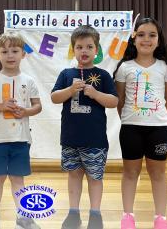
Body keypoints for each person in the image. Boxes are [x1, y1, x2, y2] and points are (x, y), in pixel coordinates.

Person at [51, 25, 118, 229]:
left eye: (89, 46)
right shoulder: (66, 73)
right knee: (74, 175)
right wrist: (70, 89)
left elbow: (114, 101)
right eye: (79, 47)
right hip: (71, 137)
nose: (84, 51)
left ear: (97, 50)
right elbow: (54, 97)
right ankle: (73, 212)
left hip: (95, 139)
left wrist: (96, 94)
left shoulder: (103, 75)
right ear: (73, 49)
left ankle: (95, 213)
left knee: (95, 177)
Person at [113, 17, 167, 229]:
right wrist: (132, 117)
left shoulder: (166, 67)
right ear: (134, 39)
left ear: (159, 40)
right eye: (141, 35)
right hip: (131, 128)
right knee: (130, 172)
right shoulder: (124, 67)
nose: (146, 39)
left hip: (157, 130)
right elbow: (120, 100)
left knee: (158, 173)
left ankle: (161, 218)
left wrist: (157, 115)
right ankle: (127, 216)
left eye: (152, 35)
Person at [0, 32, 42, 229]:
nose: (10, 55)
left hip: (21, 140)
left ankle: (23, 217)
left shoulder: (29, 80)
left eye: (15, 51)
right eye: (4, 51)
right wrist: (1, 106)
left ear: (23, 54)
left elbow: (38, 106)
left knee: (18, 179)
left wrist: (25, 111)